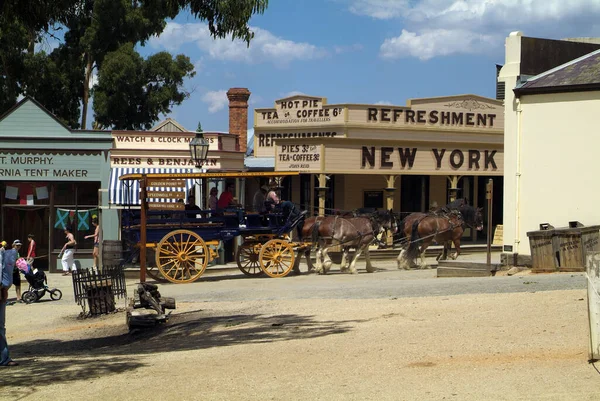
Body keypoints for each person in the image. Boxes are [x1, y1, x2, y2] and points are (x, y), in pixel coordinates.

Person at [1, 239, 19, 366]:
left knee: (0, 328)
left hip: (1, 293)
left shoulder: (3, 255)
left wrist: (4, 288)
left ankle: (4, 357)